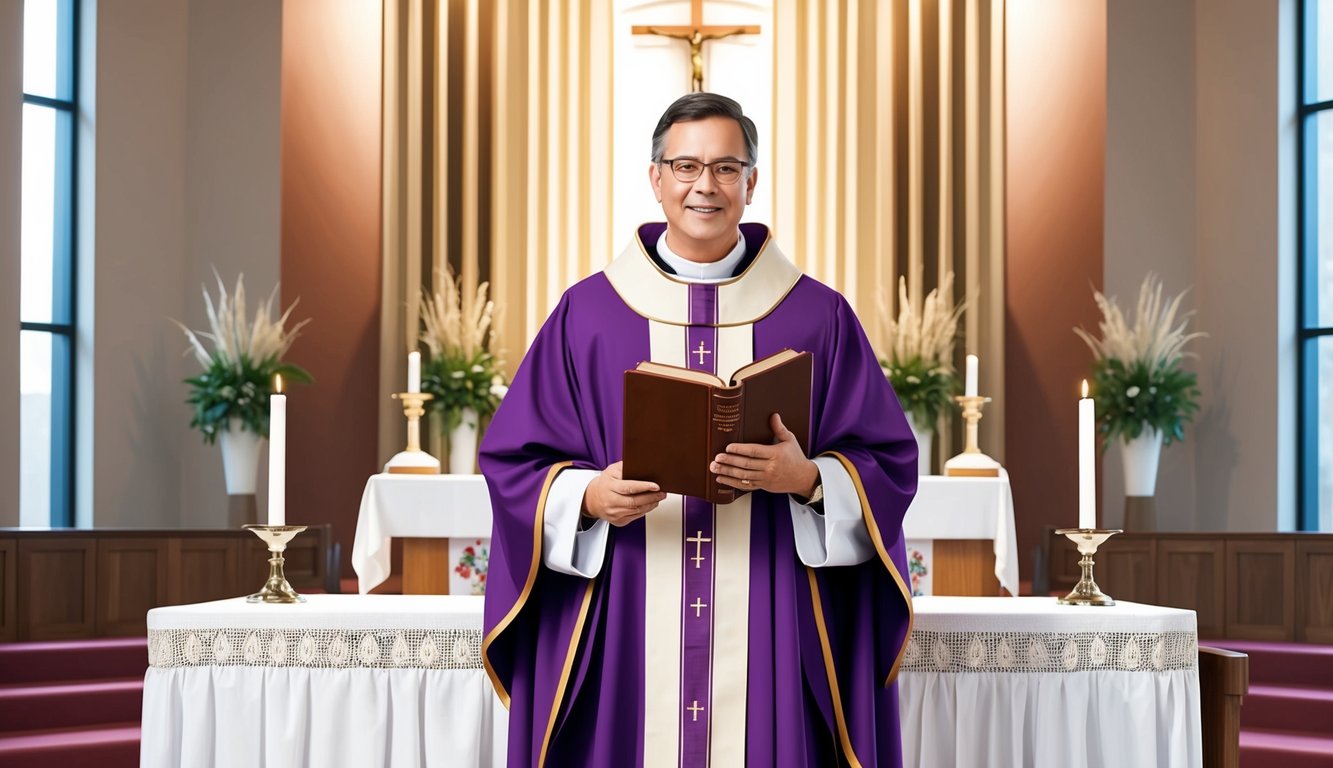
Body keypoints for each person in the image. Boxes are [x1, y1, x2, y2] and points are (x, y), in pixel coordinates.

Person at [480, 92, 917, 767]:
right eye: (684, 166)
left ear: (751, 182)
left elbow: (886, 459)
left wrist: (807, 480)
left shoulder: (816, 316)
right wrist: (589, 497)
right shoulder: (588, 315)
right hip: (625, 605)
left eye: (724, 167)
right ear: (655, 178)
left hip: (773, 609)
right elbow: (514, 461)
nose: (703, 186)